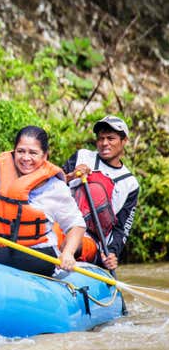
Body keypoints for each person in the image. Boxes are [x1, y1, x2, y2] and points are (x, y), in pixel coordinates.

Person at [0, 126, 86, 276]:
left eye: (33, 153)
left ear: (45, 156)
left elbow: (75, 225)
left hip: (38, 255)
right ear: (14, 151)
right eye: (21, 151)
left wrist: (68, 253)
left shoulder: (55, 187)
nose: (26, 158)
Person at [61, 115, 139, 271]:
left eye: (111, 138)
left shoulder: (130, 184)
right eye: (101, 138)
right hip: (62, 223)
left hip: (90, 241)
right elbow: (51, 187)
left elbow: (121, 229)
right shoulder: (81, 156)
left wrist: (111, 253)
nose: (104, 143)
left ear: (124, 141)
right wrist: (71, 176)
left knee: (71, 244)